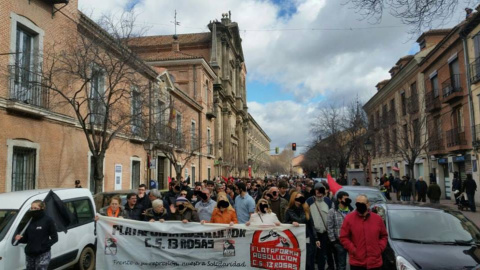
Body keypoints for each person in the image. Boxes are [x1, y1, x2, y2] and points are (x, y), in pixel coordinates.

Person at [340, 195, 388, 270]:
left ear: (368, 204)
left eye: (362, 204)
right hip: (357, 263)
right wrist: (353, 250)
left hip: (375, 263)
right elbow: (344, 237)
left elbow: (384, 236)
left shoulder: (377, 219)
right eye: (358, 204)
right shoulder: (349, 218)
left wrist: (379, 248)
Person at [15, 200, 58, 270]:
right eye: (32, 208)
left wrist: (43, 246)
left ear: (42, 208)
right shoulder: (29, 220)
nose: (33, 210)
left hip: (42, 254)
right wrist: (20, 239)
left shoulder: (48, 220)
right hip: (30, 254)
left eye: (35, 208)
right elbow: (26, 239)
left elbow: (55, 238)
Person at [285, 192, 319, 270]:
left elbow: (311, 224)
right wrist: (291, 223)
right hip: (295, 239)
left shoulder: (306, 209)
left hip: (307, 237)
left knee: (309, 260)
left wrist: (316, 238)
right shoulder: (289, 210)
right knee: (297, 260)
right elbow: (284, 223)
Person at [306, 183, 332, 270]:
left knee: (322, 254)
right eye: (317, 190)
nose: (319, 192)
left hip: (324, 233)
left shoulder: (328, 201)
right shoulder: (309, 201)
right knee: (311, 254)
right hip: (312, 233)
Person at [327, 191, 353, 270]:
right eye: (345, 199)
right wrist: (333, 241)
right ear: (339, 199)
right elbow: (329, 226)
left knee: (354, 263)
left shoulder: (352, 211)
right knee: (341, 265)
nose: (347, 201)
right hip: (339, 242)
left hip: (351, 241)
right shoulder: (332, 211)